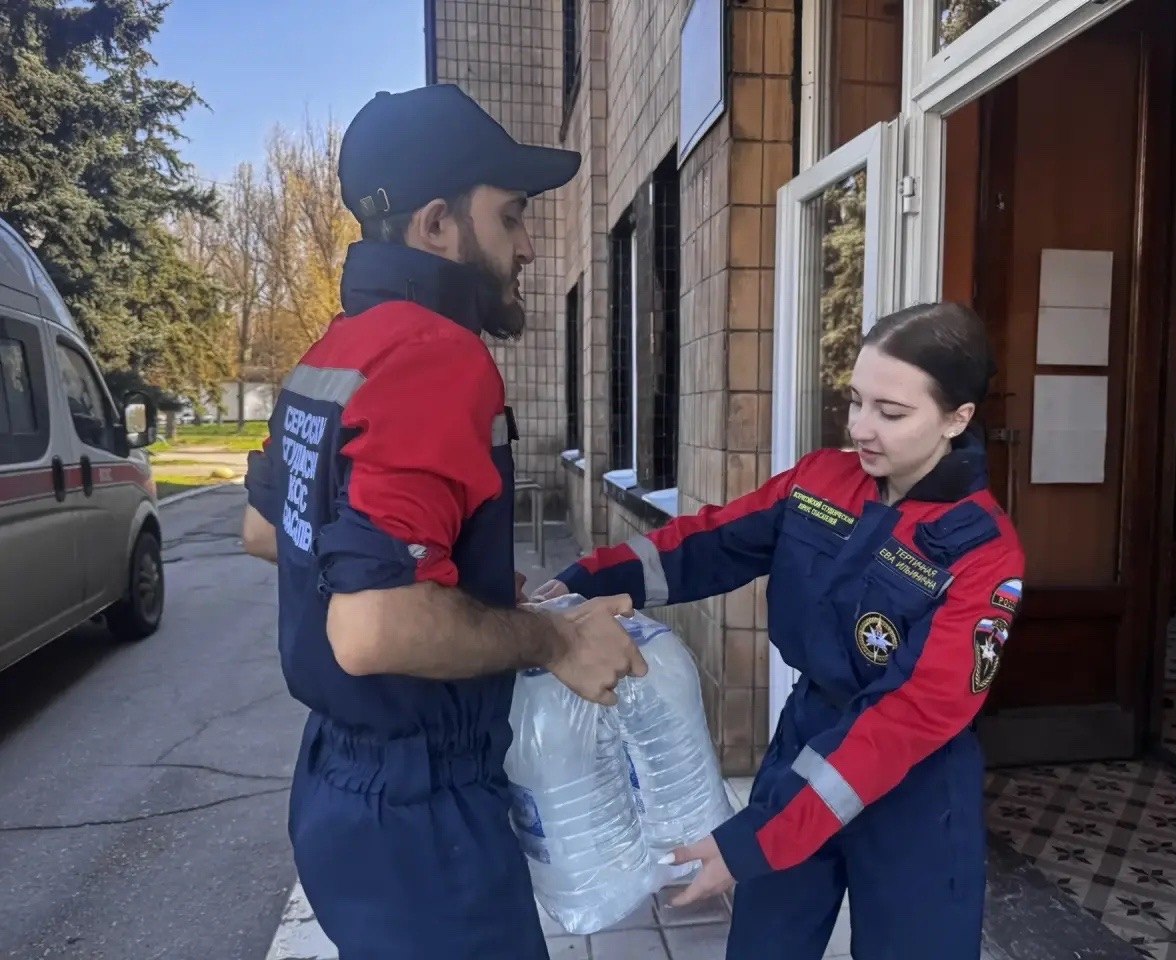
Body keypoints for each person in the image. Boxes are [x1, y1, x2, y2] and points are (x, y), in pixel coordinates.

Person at [239, 84, 647, 960]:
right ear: (436, 226)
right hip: (422, 818)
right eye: (512, 218)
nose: (531, 246)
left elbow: (270, 531)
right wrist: (552, 641)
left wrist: (460, 584)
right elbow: (373, 628)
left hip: (341, 792)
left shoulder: (334, 349)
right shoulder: (436, 356)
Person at [534, 302, 1026, 959]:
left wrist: (754, 840)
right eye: (856, 401)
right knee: (766, 942)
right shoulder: (823, 481)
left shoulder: (983, 552)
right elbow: (709, 543)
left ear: (957, 418)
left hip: (916, 783)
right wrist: (578, 583)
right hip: (808, 737)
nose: (861, 428)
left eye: (891, 412)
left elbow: (913, 714)